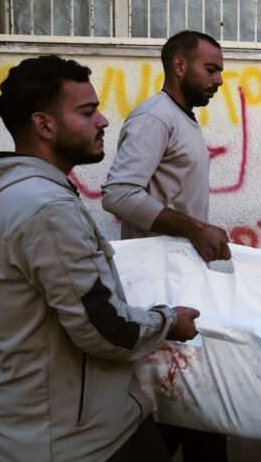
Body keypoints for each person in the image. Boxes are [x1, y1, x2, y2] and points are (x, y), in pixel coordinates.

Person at [0, 55, 200, 462]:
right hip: (74, 441)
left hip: (50, 426)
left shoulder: (18, 196)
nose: (102, 121)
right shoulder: (45, 207)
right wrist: (168, 321)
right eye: (87, 111)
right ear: (44, 125)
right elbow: (105, 329)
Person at [102, 30, 230, 460]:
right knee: (188, 401)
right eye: (211, 69)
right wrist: (194, 228)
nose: (218, 80)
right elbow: (118, 193)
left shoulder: (182, 118)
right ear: (179, 65)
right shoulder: (155, 118)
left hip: (180, 277)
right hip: (159, 283)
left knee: (186, 401)